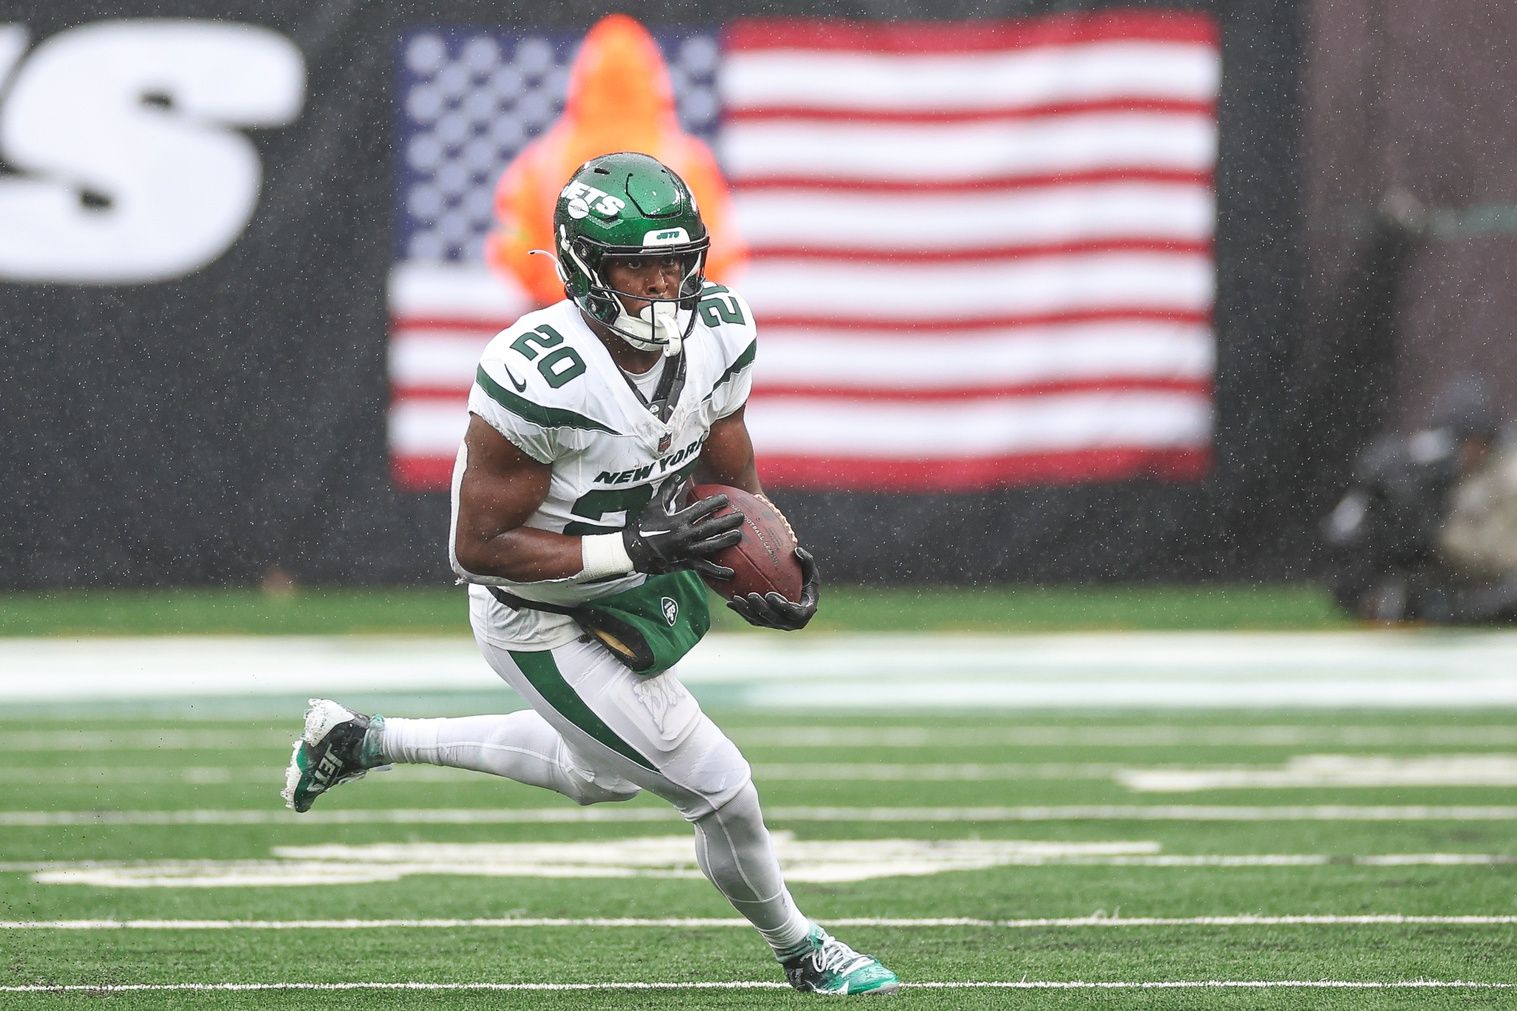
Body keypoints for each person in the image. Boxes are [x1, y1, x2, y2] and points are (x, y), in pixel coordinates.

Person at [283, 152, 899, 997]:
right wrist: (638, 550)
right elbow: (477, 549)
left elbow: (730, 471)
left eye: (674, 262)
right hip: (531, 605)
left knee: (603, 770)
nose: (658, 284)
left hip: (639, 567)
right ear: (584, 267)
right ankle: (802, 948)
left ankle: (357, 739)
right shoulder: (539, 373)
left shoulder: (719, 331)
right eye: (635, 265)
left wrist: (765, 558)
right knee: (718, 787)